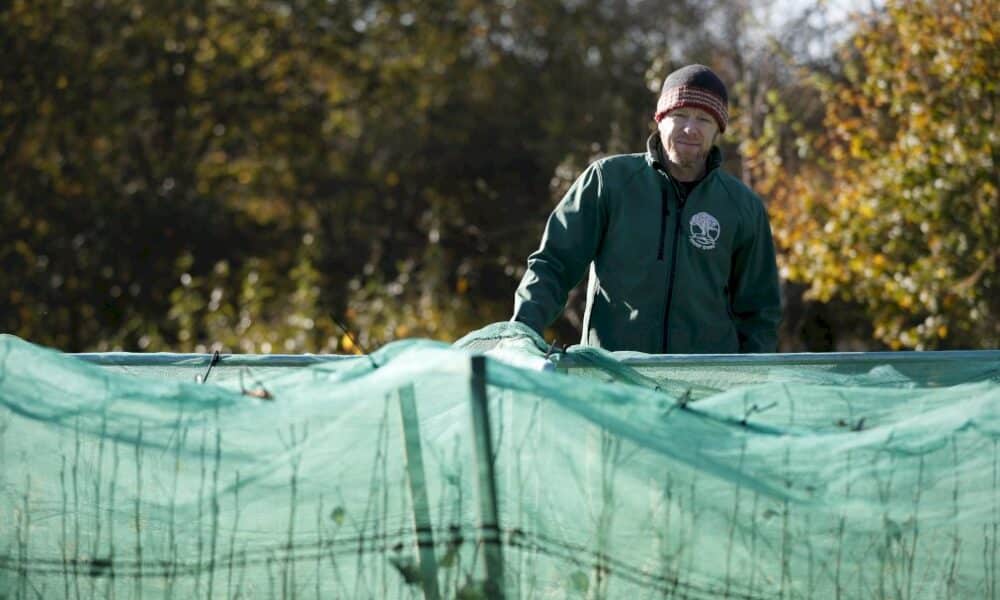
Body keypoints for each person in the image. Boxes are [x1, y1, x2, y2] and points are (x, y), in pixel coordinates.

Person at [512, 64, 781, 354]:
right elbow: (554, 265)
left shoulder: (743, 206)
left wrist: (751, 376)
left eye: (704, 119)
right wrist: (522, 333)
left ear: (718, 130)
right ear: (660, 119)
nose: (690, 128)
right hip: (613, 376)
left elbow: (759, 311)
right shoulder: (608, 181)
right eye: (679, 115)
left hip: (707, 386)